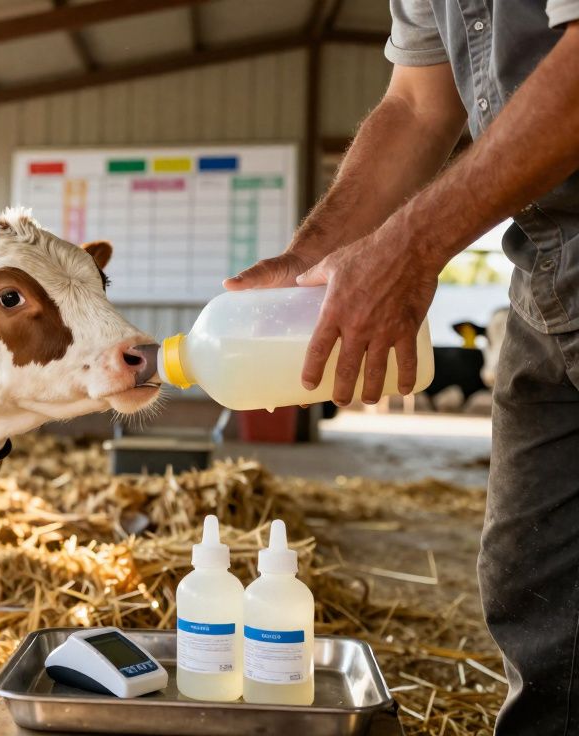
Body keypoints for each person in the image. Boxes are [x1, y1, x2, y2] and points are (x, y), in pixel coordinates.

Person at [226, 3, 579, 732]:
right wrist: (308, 258)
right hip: (544, 268)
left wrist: (411, 250)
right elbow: (417, 106)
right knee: (532, 584)